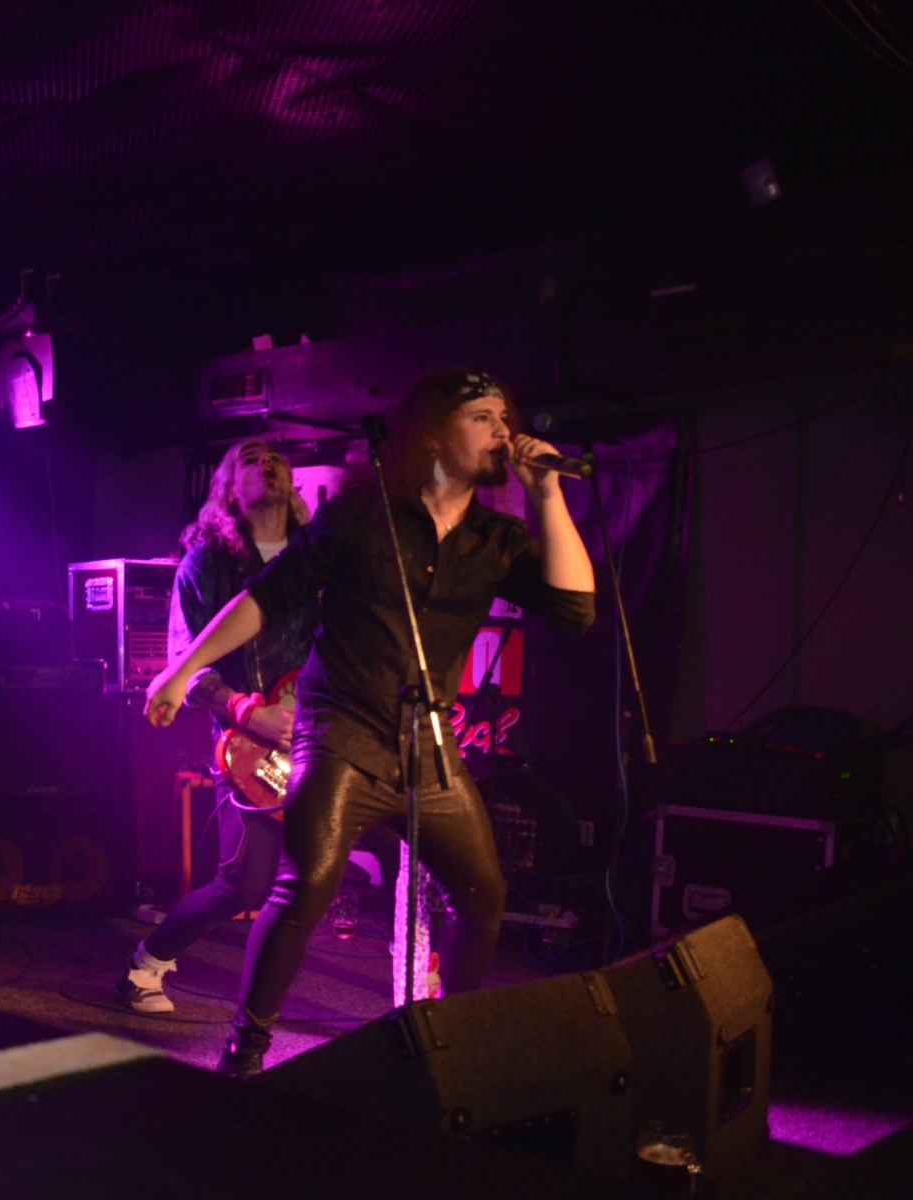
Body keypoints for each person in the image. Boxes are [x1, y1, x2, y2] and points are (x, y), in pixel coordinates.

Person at [145, 368, 596, 1075]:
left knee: (483, 898)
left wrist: (547, 492)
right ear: (434, 434)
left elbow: (575, 609)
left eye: (504, 416)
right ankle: (245, 1050)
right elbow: (265, 598)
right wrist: (180, 672)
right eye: (482, 416)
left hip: (428, 747)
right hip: (341, 733)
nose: (501, 430)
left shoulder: (496, 539)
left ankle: (452, 1046)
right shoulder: (363, 515)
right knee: (304, 885)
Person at [117, 440, 316, 1016]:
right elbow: (186, 661)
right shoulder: (208, 563)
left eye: (277, 458)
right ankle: (146, 965)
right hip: (248, 741)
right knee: (244, 885)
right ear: (229, 486)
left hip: (317, 733)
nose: (268, 464)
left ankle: (421, 978)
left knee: (391, 842)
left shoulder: (316, 555)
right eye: (251, 459)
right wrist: (250, 712)